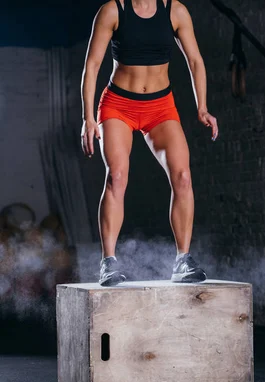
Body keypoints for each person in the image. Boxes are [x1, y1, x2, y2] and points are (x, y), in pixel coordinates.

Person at [80, 0, 218, 286]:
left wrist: (202, 107)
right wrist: (88, 118)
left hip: (160, 106)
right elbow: (92, 66)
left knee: (182, 176)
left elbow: (195, 61)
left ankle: (182, 260)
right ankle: (108, 262)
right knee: (117, 176)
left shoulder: (175, 11)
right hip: (118, 104)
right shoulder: (112, 11)